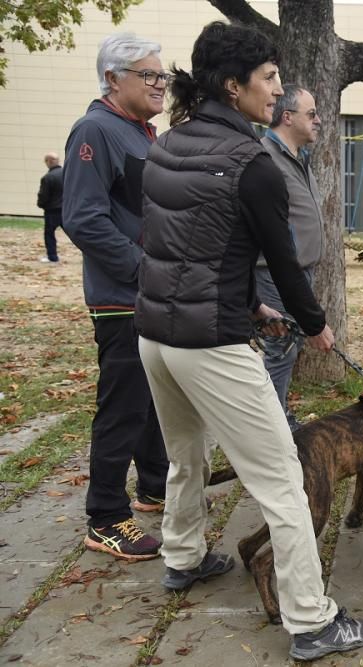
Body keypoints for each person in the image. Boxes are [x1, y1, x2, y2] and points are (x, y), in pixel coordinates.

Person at [134, 21, 363, 660]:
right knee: (286, 480)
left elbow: (184, 248)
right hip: (210, 344)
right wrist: (315, 322)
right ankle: (311, 620)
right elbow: (285, 262)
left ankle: (183, 558)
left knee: (185, 456)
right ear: (233, 85)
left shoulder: (167, 145)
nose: (277, 90)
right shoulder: (254, 164)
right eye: (269, 79)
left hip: (156, 336)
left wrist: (251, 304)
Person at [61, 32, 170, 561]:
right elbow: (82, 217)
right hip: (120, 296)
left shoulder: (141, 133)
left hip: (149, 294)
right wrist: (144, 269)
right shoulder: (96, 130)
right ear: (113, 79)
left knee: (149, 396)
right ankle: (105, 515)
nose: (161, 84)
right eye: (149, 75)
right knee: (122, 405)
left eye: (162, 75)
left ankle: (154, 484)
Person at [256, 84, 324, 431]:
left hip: (297, 273)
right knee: (279, 349)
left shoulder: (297, 157)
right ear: (287, 117)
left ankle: (275, 417)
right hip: (274, 274)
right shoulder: (267, 157)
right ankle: (271, 426)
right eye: (311, 114)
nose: (318, 121)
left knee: (288, 349)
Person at [37, 152, 64, 263]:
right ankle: (89, 254)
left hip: (52, 210)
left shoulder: (47, 178)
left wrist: (41, 204)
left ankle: (52, 257)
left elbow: (44, 196)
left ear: (49, 161)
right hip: (67, 209)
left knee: (49, 234)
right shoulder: (68, 174)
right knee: (75, 233)